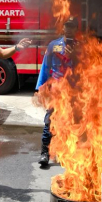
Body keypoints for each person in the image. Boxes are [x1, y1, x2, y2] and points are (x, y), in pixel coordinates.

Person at [33, 16, 79, 168]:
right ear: (63, 28)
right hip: (56, 89)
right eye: (67, 26)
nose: (69, 29)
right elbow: (45, 68)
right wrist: (38, 88)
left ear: (76, 29)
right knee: (49, 120)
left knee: (71, 121)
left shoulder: (81, 47)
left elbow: (87, 71)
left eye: (72, 26)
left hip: (73, 90)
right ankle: (44, 153)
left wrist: (75, 57)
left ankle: (67, 152)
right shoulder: (53, 45)